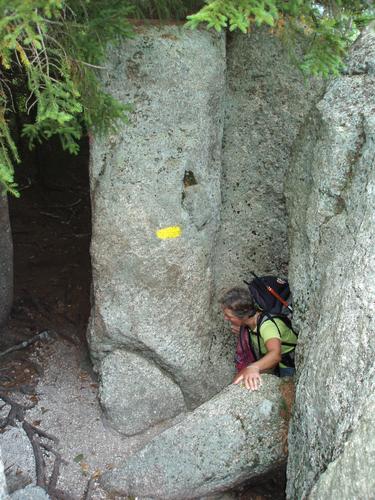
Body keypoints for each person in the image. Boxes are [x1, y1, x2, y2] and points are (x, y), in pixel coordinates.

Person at [220, 287, 297, 391]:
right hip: (272, 360)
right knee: (241, 377)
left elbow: (275, 354)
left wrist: (254, 367)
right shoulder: (250, 323)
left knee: (288, 388)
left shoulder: (267, 326)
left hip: (289, 361)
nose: (226, 318)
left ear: (243, 317)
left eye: (229, 316)